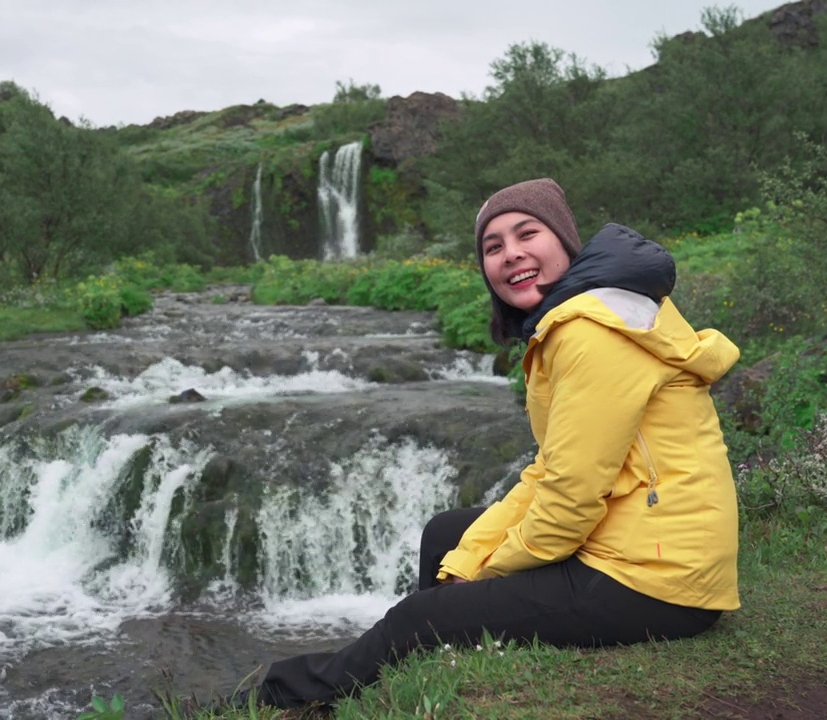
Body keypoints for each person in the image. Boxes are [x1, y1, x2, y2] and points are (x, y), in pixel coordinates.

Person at [236, 178, 742, 710]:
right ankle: (422, 668)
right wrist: (466, 559)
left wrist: (477, 573)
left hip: (658, 582)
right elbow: (550, 471)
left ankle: (279, 700)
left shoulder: (592, 335)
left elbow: (569, 500)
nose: (511, 254)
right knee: (446, 535)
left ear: (566, 242)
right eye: (493, 246)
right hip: (635, 543)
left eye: (528, 233)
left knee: (418, 616)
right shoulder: (577, 320)